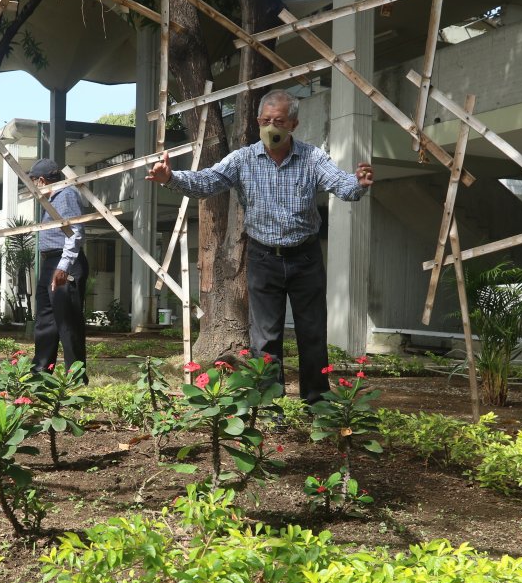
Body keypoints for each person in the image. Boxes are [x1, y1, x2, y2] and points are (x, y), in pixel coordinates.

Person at [145, 89, 374, 404]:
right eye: (265, 121)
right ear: (257, 122)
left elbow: (341, 184)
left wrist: (358, 184)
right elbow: (207, 182)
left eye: (278, 121)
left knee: (312, 332)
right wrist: (171, 177)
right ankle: (268, 402)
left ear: (293, 124)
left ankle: (317, 401)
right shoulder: (242, 160)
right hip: (264, 258)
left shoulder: (312, 158)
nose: (271, 127)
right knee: (265, 337)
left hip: (305, 258)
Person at [28, 158, 89, 379]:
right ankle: (40, 374)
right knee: (45, 320)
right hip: (49, 263)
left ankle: (75, 377)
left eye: (33, 182)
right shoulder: (50, 200)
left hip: (65, 262)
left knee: (68, 322)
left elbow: (75, 232)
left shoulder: (66, 194)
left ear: (41, 180)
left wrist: (64, 266)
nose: (34, 187)